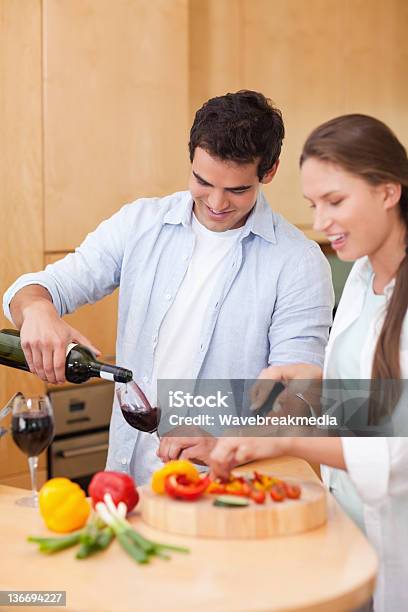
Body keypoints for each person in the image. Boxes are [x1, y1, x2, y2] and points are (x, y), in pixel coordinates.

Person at [3, 90, 333, 484]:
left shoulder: (298, 261)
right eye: (202, 181)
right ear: (191, 155)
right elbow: (39, 287)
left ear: (270, 171)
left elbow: (301, 395)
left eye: (237, 190)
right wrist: (38, 310)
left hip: (227, 490)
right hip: (129, 483)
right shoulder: (140, 224)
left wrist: (231, 441)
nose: (215, 202)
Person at [209, 114, 408, 612]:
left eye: (335, 201)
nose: (320, 223)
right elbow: (366, 406)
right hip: (352, 547)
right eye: (313, 205)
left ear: (389, 191)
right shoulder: (362, 279)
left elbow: (396, 453)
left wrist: (286, 436)